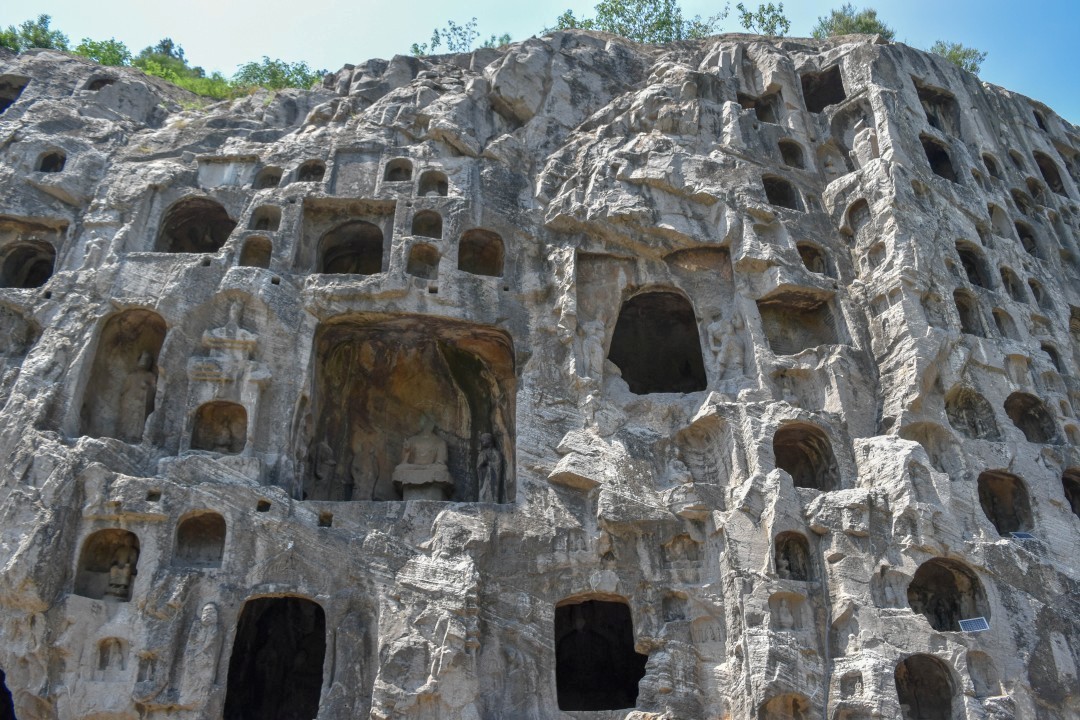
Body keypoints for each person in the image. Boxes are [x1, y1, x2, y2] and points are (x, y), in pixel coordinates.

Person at [116, 351, 156, 442]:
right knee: (127, 419)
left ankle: (137, 437)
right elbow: (123, 391)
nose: (144, 362)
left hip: (141, 403)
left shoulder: (150, 376)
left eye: (147, 360)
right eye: (142, 359)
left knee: (138, 419)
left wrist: (147, 387)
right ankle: (124, 434)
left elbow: (155, 391)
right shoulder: (131, 376)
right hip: (129, 402)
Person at [476, 433, 504, 503]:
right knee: (483, 491)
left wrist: (488, 463)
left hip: (493, 478)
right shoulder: (482, 453)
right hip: (484, 477)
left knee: (493, 490)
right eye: (482, 441)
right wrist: (482, 464)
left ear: (489, 440)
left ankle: (494, 500)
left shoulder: (496, 453)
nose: (482, 442)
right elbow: (478, 467)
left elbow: (498, 465)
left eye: (484, 440)